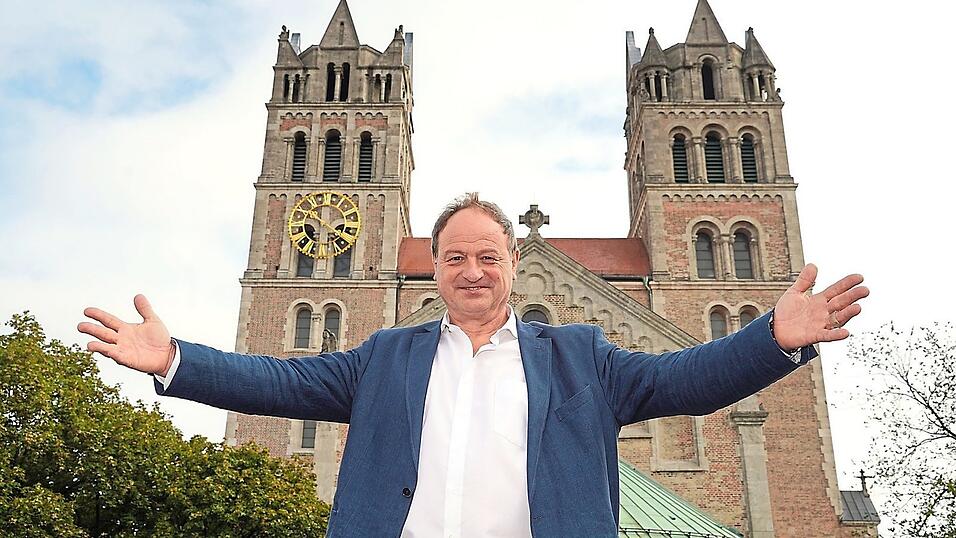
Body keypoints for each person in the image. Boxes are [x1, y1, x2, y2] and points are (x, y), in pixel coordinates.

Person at [79, 193, 868, 537]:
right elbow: (280, 381)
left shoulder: (581, 356)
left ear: (512, 263)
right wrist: (176, 361)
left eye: (487, 255)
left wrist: (775, 337)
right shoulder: (388, 355)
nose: (472, 269)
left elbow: (686, 380)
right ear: (437, 269)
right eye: (454, 256)